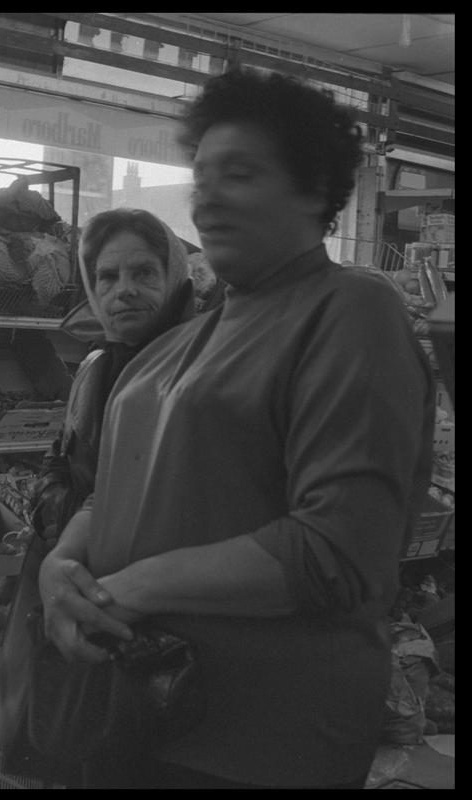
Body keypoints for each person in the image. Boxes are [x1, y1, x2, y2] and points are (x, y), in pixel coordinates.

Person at [37, 68, 434, 789]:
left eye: (240, 174)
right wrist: (61, 564)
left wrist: (125, 590)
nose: (208, 197)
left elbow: (334, 548)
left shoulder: (350, 312)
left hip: (257, 741)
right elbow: (115, 491)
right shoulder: (173, 347)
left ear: (312, 190)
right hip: (136, 713)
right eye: (201, 176)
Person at [29, 208, 197, 548]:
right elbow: (61, 456)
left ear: (175, 276)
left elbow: (175, 507)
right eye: (107, 276)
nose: (124, 290)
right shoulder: (95, 365)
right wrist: (50, 505)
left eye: (144, 273)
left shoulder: (198, 375)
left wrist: (71, 524)